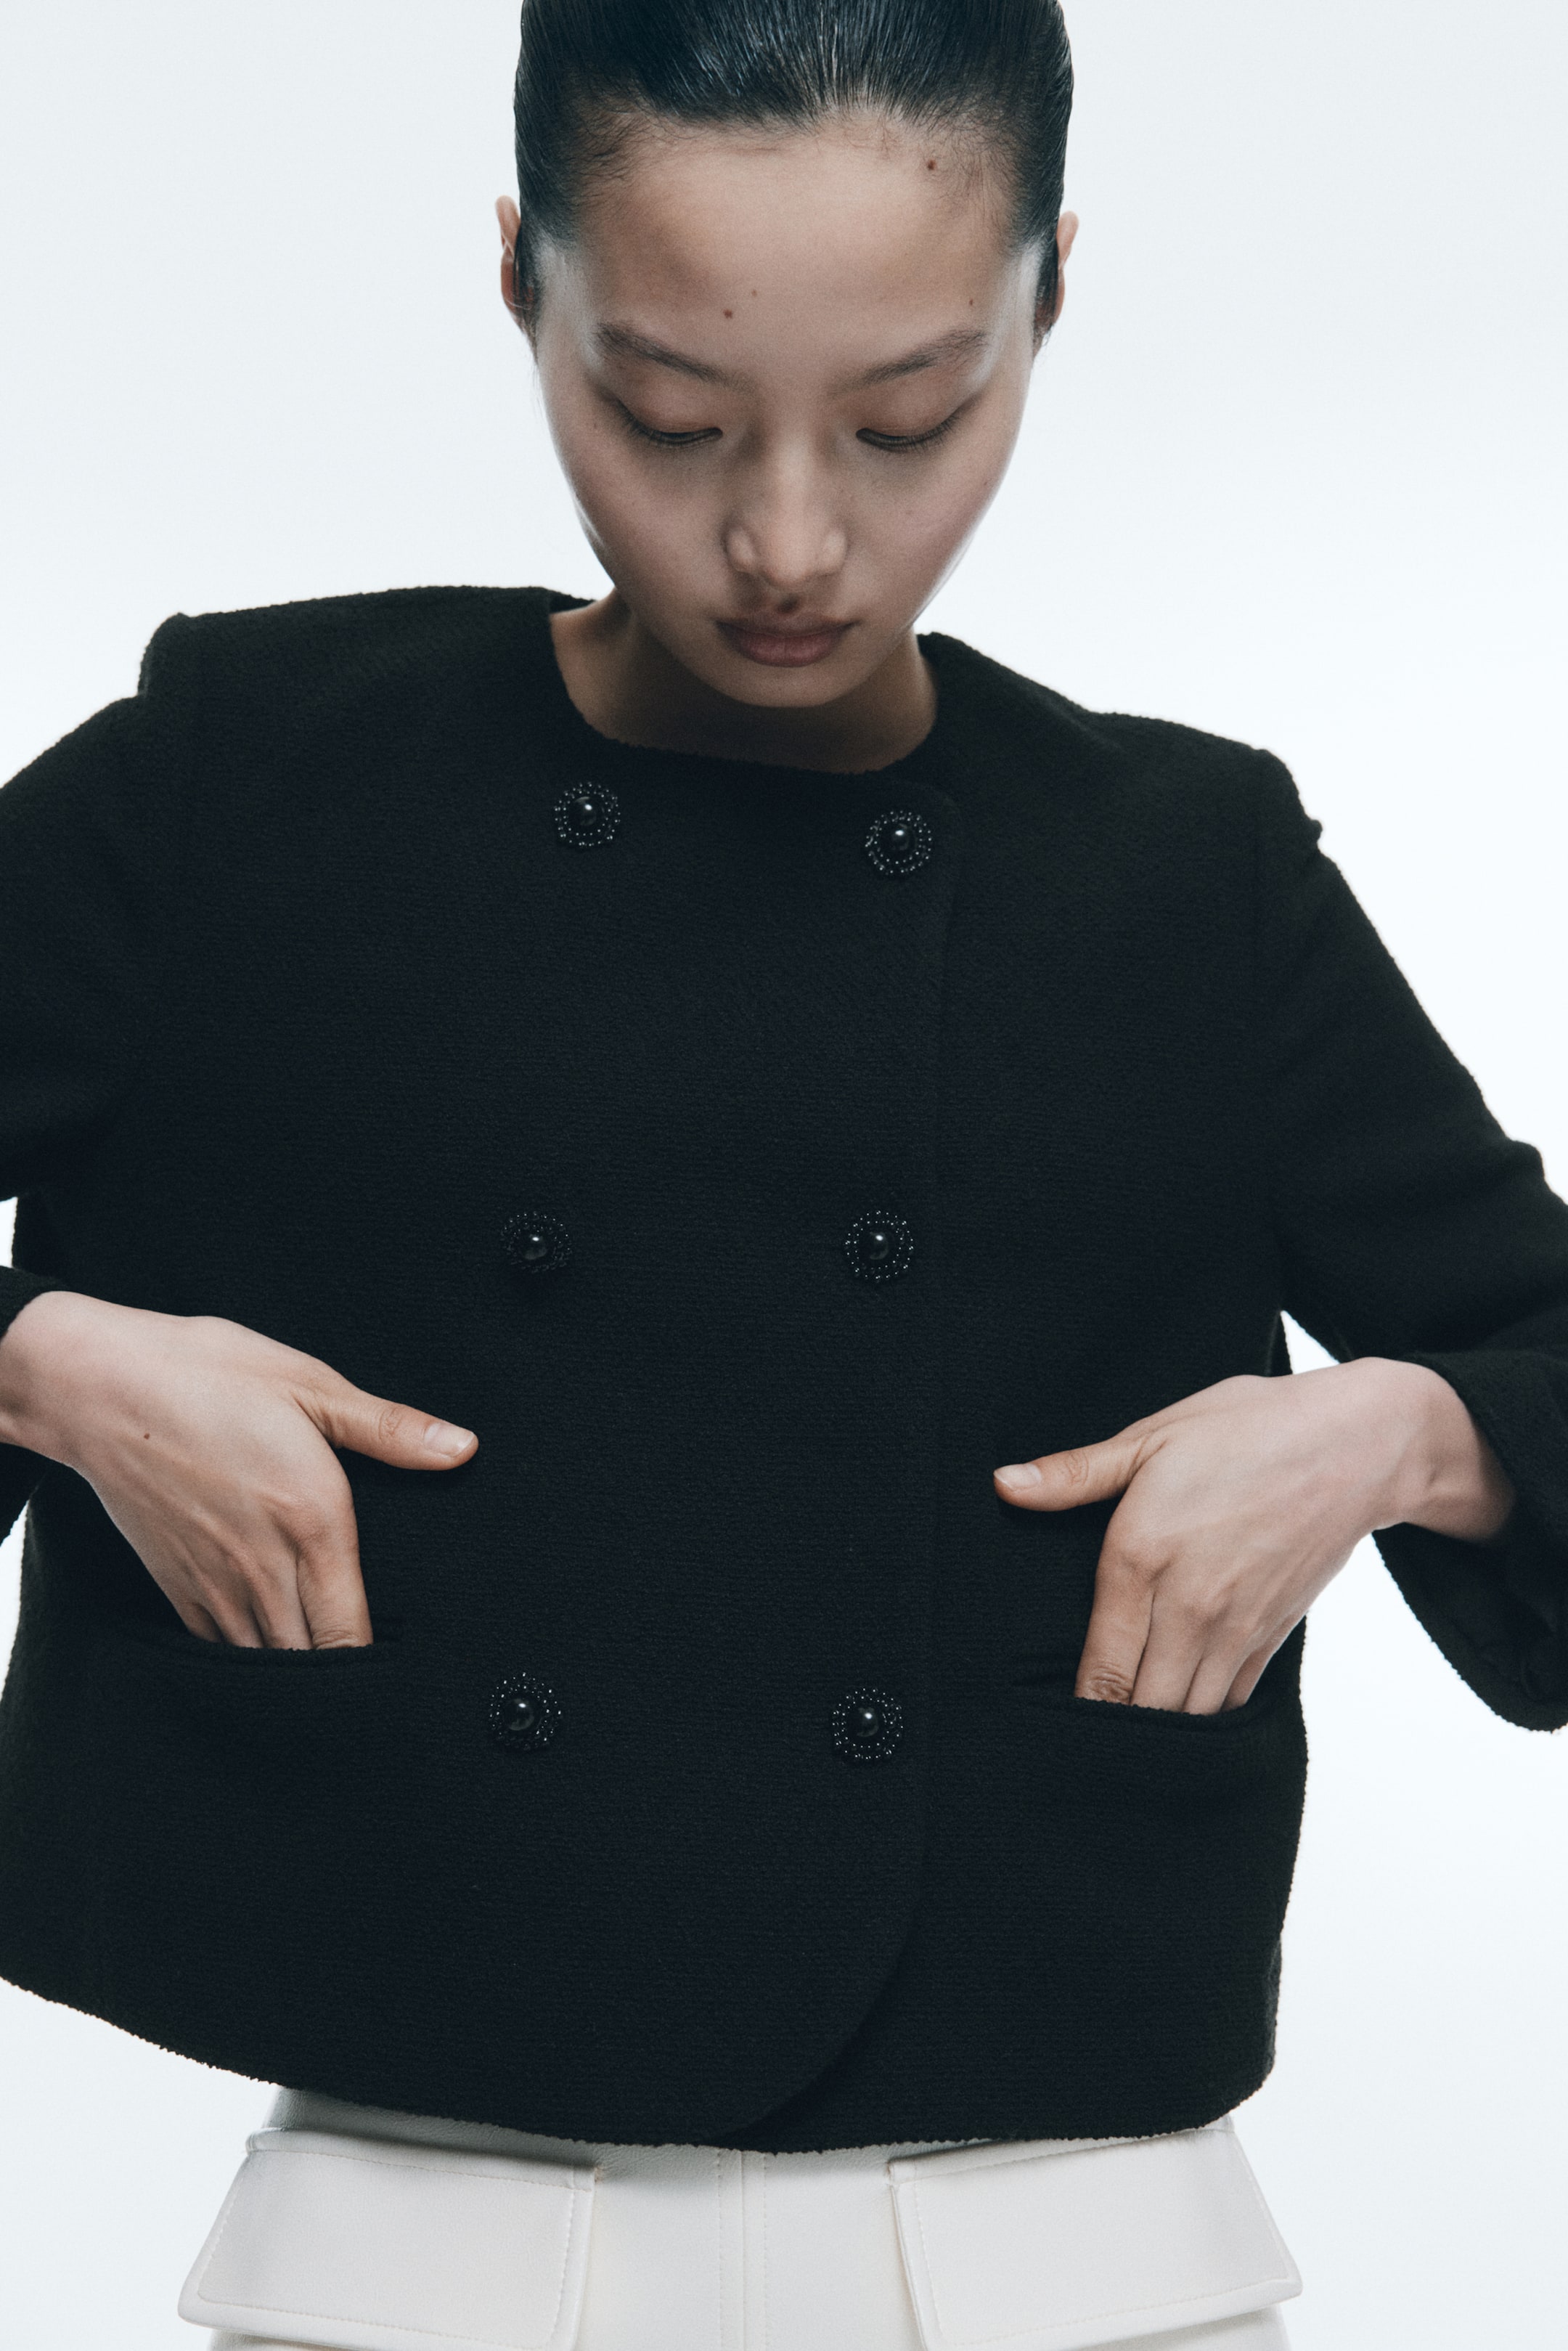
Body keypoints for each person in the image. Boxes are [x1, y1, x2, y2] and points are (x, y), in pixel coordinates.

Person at [0, 2, 1563, 2345]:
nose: (790, 543)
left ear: (1054, 292)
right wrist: (50, 1368)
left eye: (912, 419)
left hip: (1080, 2252)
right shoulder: (251, 782)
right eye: (668, 414)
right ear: (519, 280)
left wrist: (1400, 1434)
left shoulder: (1184, 869)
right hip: (420, 2235)